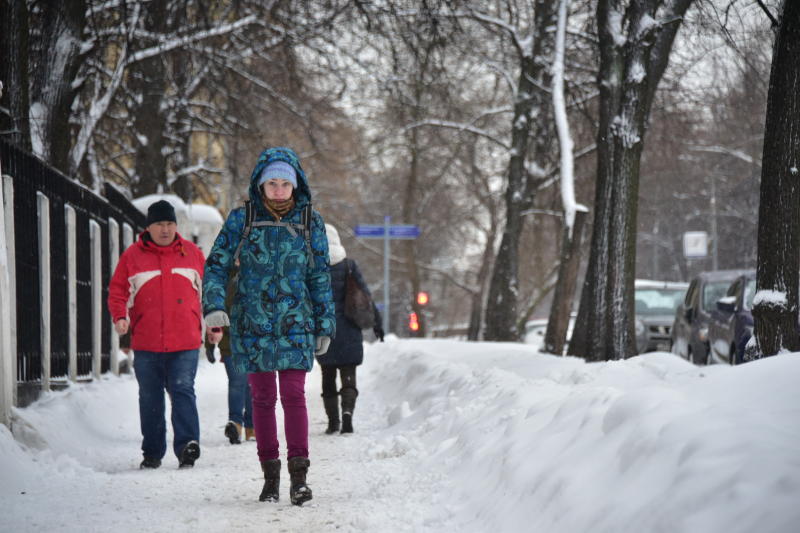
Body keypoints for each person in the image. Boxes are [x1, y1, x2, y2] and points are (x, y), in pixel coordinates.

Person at [203, 147, 335, 506]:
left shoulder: (310, 222)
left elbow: (320, 274)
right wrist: (214, 307)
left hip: (297, 322)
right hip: (253, 322)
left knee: (293, 395)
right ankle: (270, 478)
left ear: (296, 185)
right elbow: (215, 265)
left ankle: (299, 478)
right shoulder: (242, 219)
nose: (278, 190)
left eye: (284, 184)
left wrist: (325, 323)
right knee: (262, 399)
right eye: (272, 183)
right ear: (261, 185)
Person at [108, 199, 206, 470]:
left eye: (170, 224)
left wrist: (214, 325)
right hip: (147, 342)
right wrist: (120, 317)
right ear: (148, 227)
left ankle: (187, 445)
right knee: (150, 397)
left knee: (183, 389)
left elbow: (208, 292)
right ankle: (152, 452)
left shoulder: (193, 253)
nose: (165, 229)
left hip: (185, 339)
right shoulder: (132, 257)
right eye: (160, 224)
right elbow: (118, 292)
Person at [317, 224, 384, 435]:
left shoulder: (313, 266)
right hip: (349, 329)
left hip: (324, 330)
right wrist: (377, 323)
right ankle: (347, 413)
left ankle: (333, 422)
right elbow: (364, 296)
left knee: (327, 377)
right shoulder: (349, 265)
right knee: (348, 376)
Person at [204, 268, 255, 445]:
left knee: (253, 386)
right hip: (230, 344)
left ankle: (252, 426)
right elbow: (215, 312)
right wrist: (210, 344)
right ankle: (236, 424)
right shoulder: (224, 278)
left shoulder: (260, 273)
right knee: (238, 383)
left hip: (256, 344)